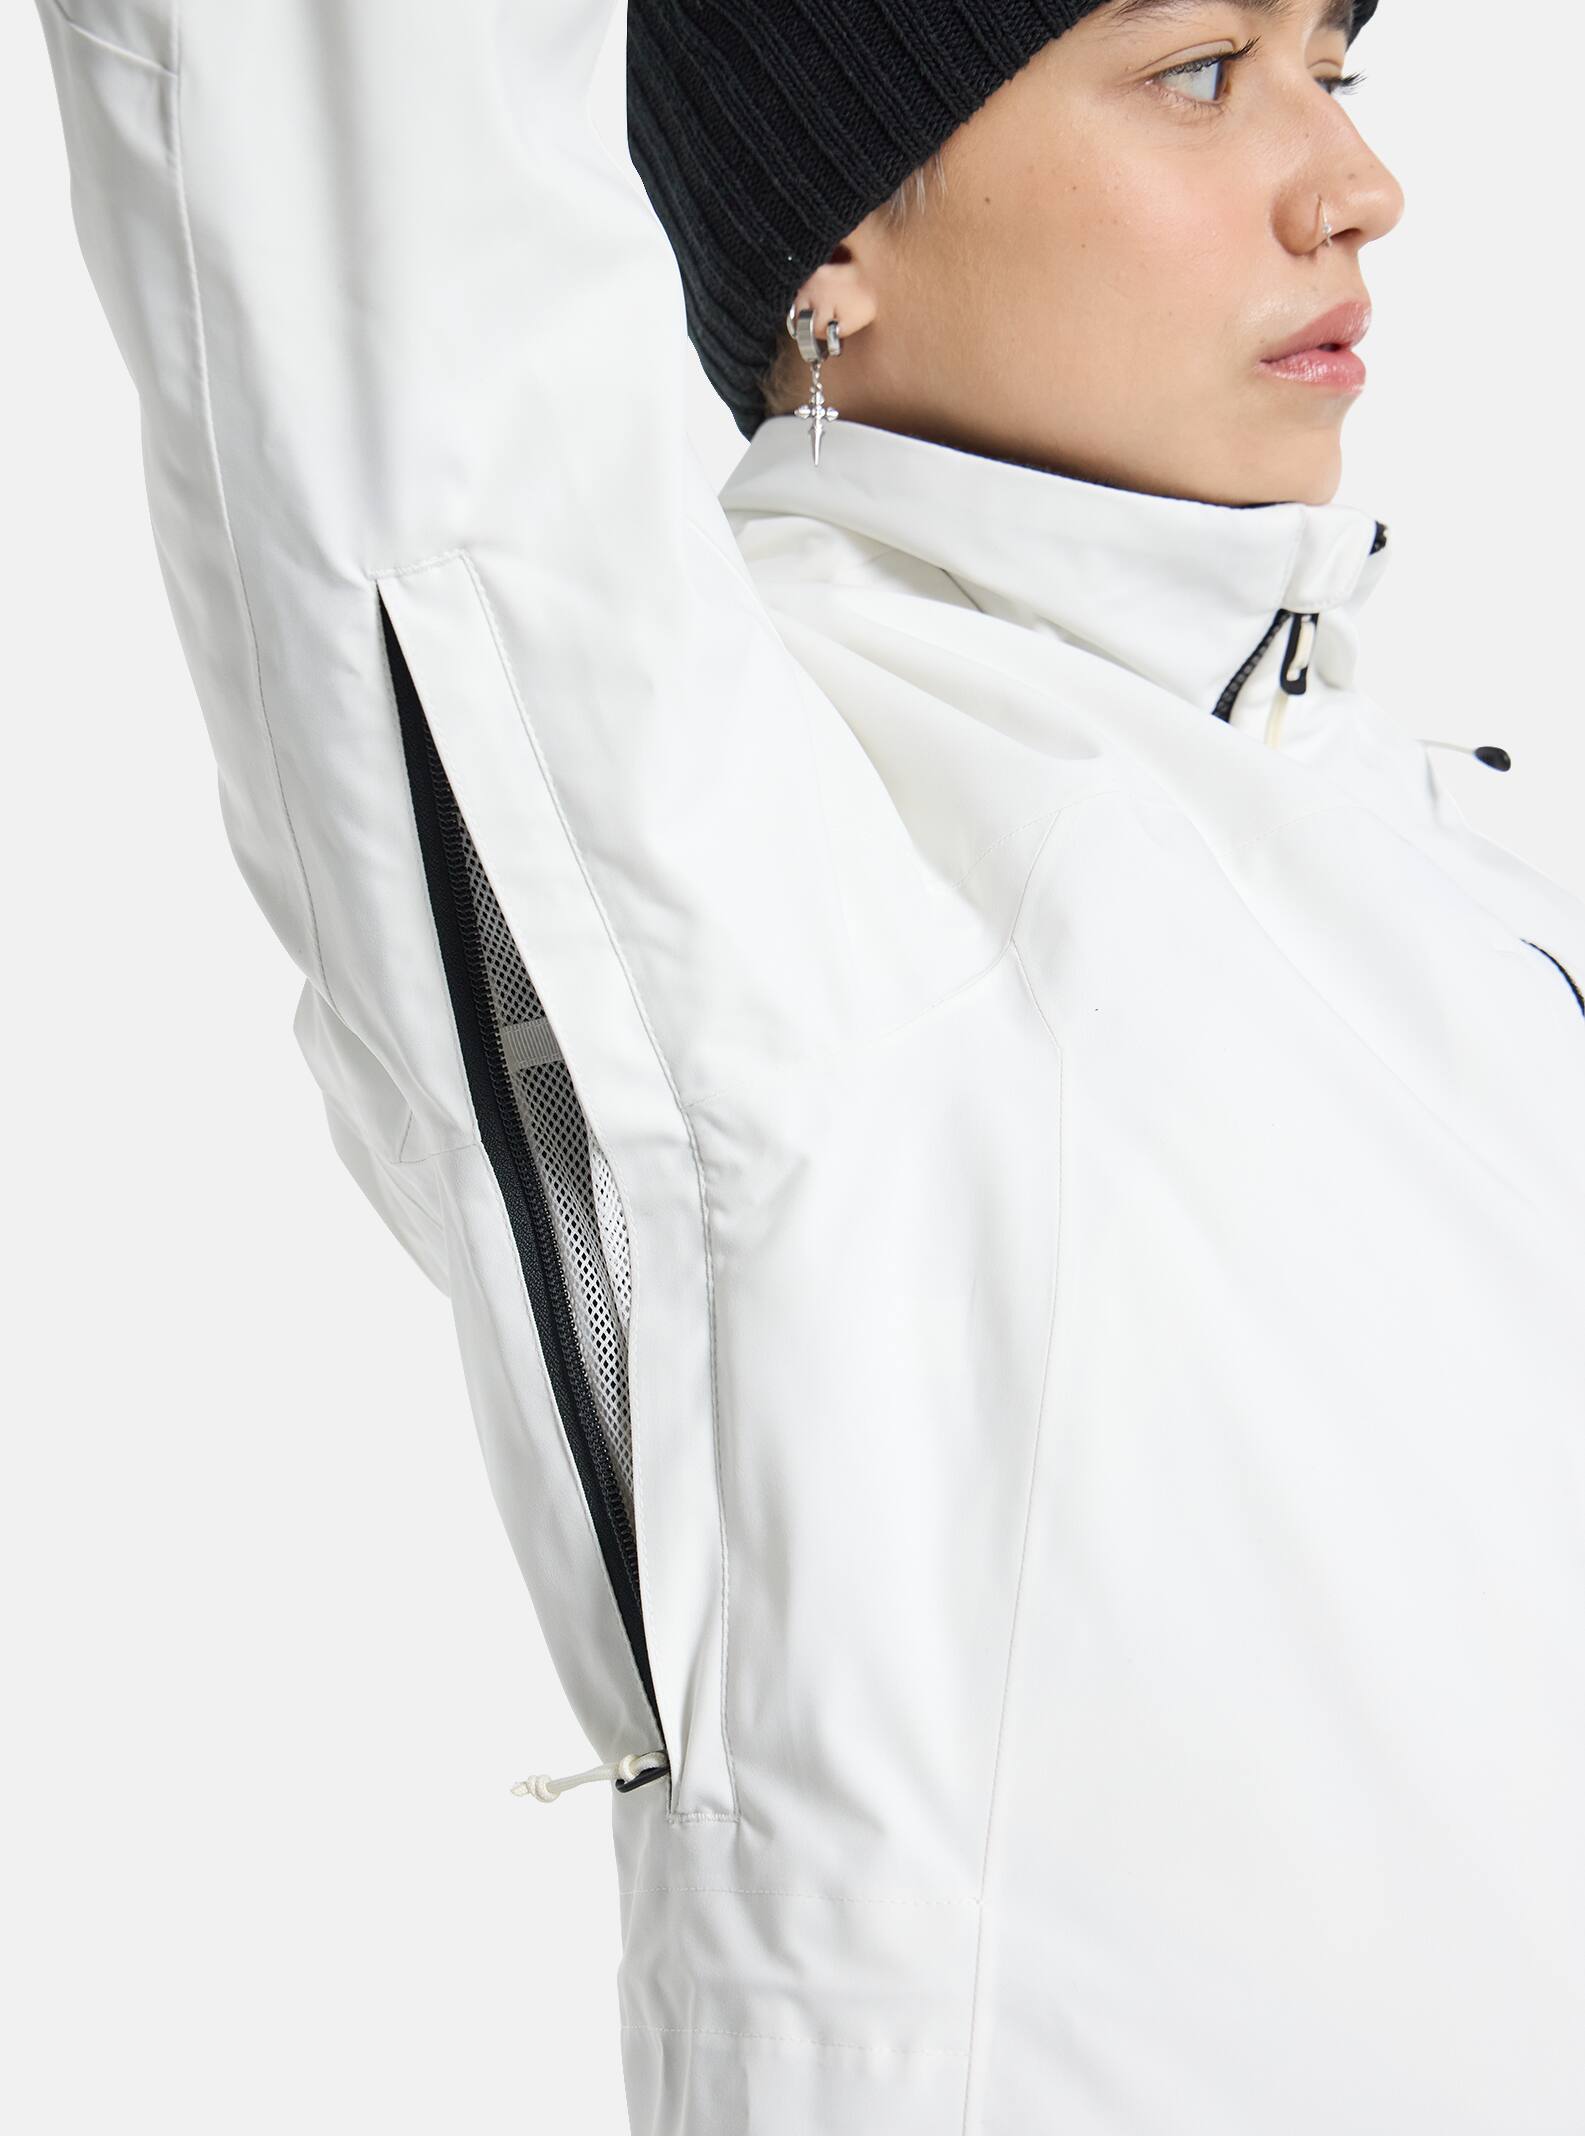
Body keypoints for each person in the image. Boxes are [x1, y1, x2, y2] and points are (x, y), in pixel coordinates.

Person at [33, 1, 1585, 2130]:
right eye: (1198, 73)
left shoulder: (1445, 882)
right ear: (833, 243)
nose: (1355, 188)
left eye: (1334, 67)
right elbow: (378, 265)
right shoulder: (770, 851)